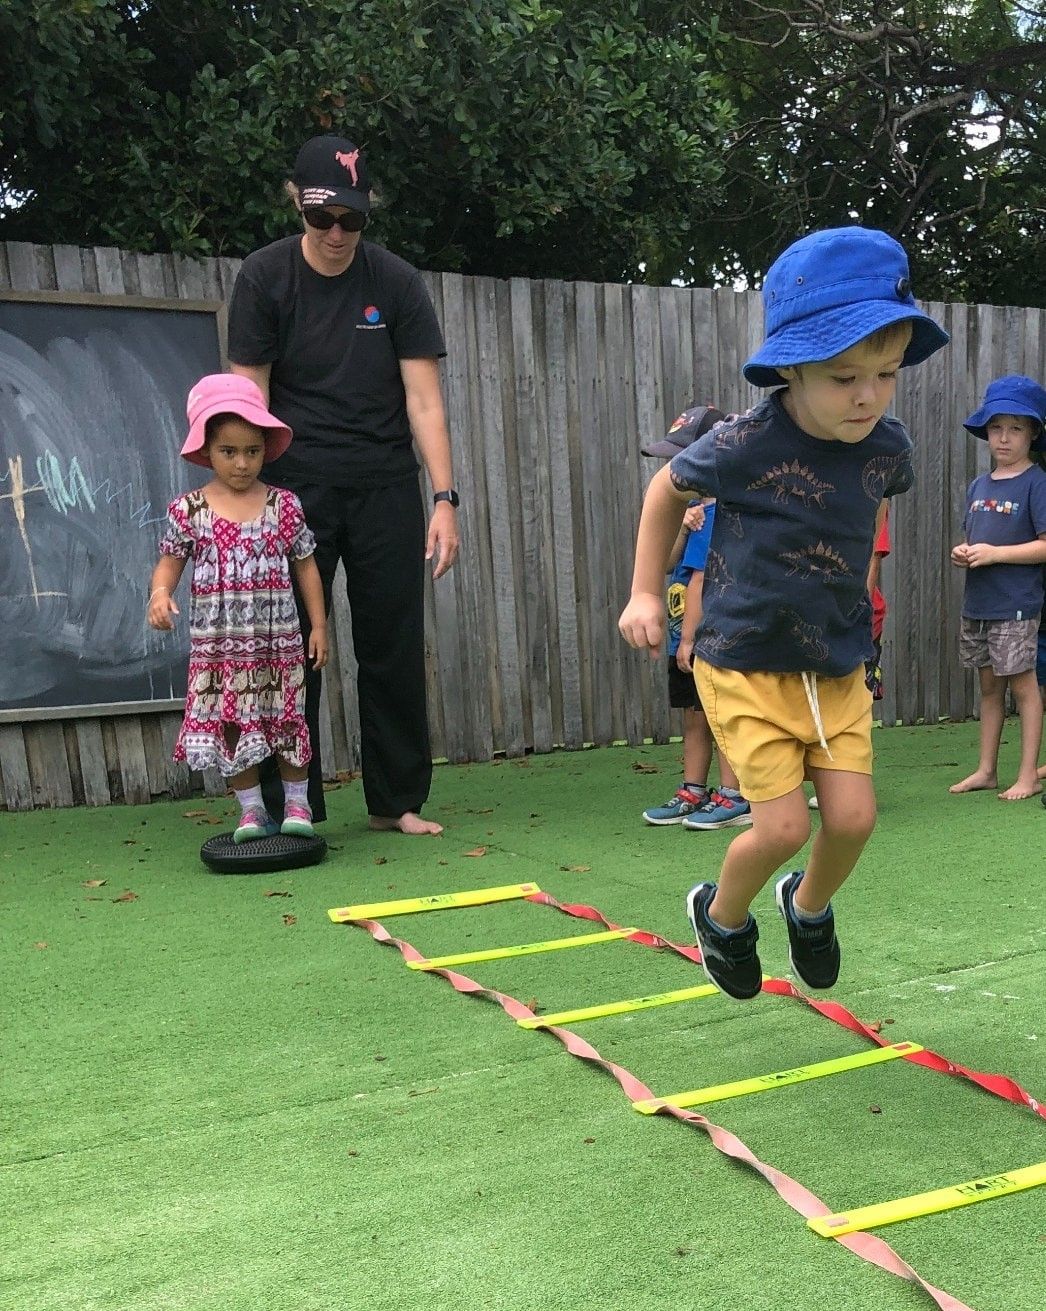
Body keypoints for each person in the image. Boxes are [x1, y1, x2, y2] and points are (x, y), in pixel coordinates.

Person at [619, 226, 949, 999]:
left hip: (834, 661)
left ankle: (808, 907)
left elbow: (859, 516)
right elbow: (666, 490)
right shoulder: (743, 441)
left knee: (855, 819)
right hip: (744, 659)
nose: (867, 394)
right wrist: (643, 590)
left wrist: (857, 596)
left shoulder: (885, 447)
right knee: (781, 826)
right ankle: (722, 916)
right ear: (791, 369)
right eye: (843, 376)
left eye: (885, 374)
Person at [227, 134, 459, 837]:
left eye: (351, 220)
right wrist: (249, 500)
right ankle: (287, 805)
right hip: (292, 492)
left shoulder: (394, 283)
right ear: (297, 203)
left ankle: (396, 801)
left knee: (390, 642)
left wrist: (445, 500)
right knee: (291, 643)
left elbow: (424, 400)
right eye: (322, 217)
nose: (336, 234)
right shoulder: (265, 278)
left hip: (386, 484)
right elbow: (248, 396)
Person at [148, 374, 328, 841]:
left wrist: (319, 625)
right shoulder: (188, 511)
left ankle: (297, 805)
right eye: (230, 451)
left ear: (265, 449)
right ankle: (251, 810)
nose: (243, 463)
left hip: (278, 641)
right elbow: (170, 562)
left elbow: (307, 565)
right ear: (207, 450)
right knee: (230, 724)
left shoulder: (283, 506)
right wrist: (159, 594)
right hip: (220, 650)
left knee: (288, 718)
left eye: (253, 451)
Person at [640, 406, 750, 829]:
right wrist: (682, 526)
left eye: (682, 459)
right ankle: (693, 789)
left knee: (722, 717)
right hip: (683, 638)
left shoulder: (721, 510)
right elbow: (670, 563)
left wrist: (689, 640)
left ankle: (734, 795)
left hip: (707, 639)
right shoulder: (694, 512)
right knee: (694, 715)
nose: (675, 469)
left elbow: (702, 580)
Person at [948, 375, 1046, 801]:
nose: (1004, 437)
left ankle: (1026, 774)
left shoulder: (1037, 482)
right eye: (995, 427)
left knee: (1024, 687)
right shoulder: (978, 486)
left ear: (1033, 433)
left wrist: (994, 554)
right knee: (989, 688)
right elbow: (980, 541)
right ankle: (986, 769)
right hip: (979, 604)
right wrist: (965, 552)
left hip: (1016, 606)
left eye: (1016, 428)